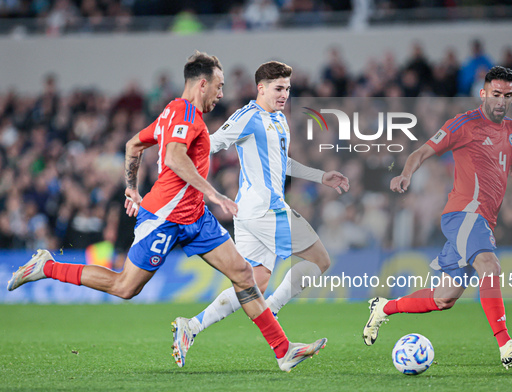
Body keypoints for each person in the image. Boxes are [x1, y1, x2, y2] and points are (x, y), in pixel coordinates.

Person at [7, 51, 326, 372]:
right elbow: (174, 158)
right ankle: (47, 267)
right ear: (203, 84)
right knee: (125, 287)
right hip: (165, 217)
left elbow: (133, 144)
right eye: (219, 86)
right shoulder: (184, 113)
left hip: (196, 217)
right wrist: (213, 193)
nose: (222, 94)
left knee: (244, 275)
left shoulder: (178, 114)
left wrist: (131, 186)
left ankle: (283, 351)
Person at [363, 66, 512, 370]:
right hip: (463, 214)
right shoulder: (463, 124)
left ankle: (384, 307)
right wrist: (405, 174)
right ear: (483, 93)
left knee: (444, 298)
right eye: (496, 94)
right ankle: (506, 345)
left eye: (508, 96)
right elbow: (422, 152)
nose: (501, 101)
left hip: (483, 220)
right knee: (490, 265)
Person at [171, 61, 349, 367]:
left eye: (288, 89)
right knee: (321, 260)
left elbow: (283, 163)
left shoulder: (280, 120)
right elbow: (214, 143)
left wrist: (321, 176)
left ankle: (191, 326)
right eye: (279, 89)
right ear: (261, 88)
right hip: (267, 210)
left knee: (255, 284)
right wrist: (178, 148)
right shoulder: (248, 117)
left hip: (250, 214)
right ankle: (274, 310)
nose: (284, 95)